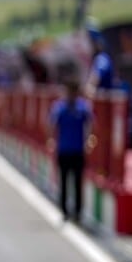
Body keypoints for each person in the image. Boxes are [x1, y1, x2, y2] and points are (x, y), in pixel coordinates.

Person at [48, 79, 94, 223]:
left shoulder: (83, 108)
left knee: (77, 182)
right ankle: (64, 210)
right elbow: (51, 124)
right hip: (63, 150)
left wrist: (89, 139)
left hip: (78, 151)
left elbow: (91, 124)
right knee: (64, 181)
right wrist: (52, 140)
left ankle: (78, 212)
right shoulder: (59, 108)